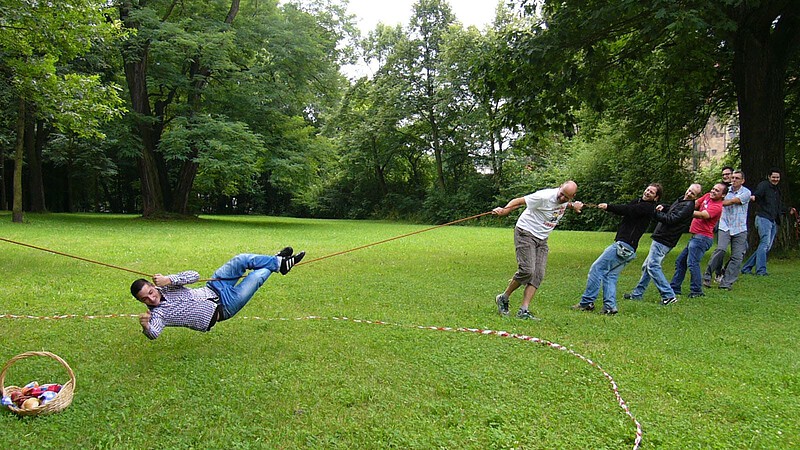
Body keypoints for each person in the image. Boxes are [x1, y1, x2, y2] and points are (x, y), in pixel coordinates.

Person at [131, 248, 305, 339]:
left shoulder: (166, 286)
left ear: (152, 285)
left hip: (214, 286)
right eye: (145, 298)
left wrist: (170, 279)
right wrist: (145, 326)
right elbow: (154, 334)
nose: (151, 298)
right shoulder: (158, 315)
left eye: (151, 292)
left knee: (241, 259)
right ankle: (278, 262)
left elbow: (194, 275)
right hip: (224, 308)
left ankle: (277, 262)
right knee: (256, 276)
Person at [492, 181, 584, 320]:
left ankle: (523, 310)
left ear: (572, 196)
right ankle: (503, 298)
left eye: (567, 197)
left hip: (542, 239)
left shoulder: (566, 200)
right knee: (527, 270)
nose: (562, 198)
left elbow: (565, 204)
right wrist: (504, 211)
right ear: (559, 187)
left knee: (538, 274)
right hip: (526, 232)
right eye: (561, 194)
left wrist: (574, 206)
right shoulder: (543, 196)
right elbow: (518, 201)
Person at [573, 184, 662, 314]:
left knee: (597, 269)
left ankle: (586, 303)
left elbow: (627, 210)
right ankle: (610, 308)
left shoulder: (646, 208)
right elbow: (631, 206)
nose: (647, 192)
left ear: (656, 197)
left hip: (623, 246)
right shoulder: (639, 203)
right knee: (610, 275)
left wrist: (608, 207)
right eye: (648, 190)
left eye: (652, 192)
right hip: (629, 248)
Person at [623, 183, 702, 305]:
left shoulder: (688, 206)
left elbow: (671, 219)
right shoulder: (682, 200)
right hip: (662, 236)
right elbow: (673, 210)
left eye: (692, 193)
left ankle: (669, 295)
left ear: (696, 196)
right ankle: (637, 294)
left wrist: (653, 213)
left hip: (665, 239)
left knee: (653, 266)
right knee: (647, 267)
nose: (689, 193)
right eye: (689, 190)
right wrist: (664, 207)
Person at [669, 183, 726, 299]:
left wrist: (684, 212)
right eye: (713, 189)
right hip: (695, 237)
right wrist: (683, 205)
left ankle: (696, 291)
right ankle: (675, 287)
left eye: (717, 191)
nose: (713, 191)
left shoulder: (717, 206)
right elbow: (694, 204)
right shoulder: (707, 196)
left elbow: (702, 215)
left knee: (692, 263)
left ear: (723, 195)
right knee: (681, 262)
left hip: (703, 238)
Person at [703, 170, 750, 290]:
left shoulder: (746, 192)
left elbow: (733, 201)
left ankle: (726, 282)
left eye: (737, 178)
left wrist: (718, 203)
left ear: (742, 181)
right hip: (725, 225)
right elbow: (711, 199)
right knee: (721, 250)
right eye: (733, 177)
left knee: (737, 256)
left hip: (740, 228)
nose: (734, 180)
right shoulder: (724, 190)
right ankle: (707, 275)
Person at [741, 168, 786, 276]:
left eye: (777, 177)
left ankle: (746, 268)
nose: (776, 179)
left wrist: (789, 209)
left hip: (773, 220)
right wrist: (753, 197)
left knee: (766, 246)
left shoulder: (776, 190)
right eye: (774, 177)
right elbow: (757, 195)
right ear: (769, 177)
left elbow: (778, 205)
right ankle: (761, 271)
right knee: (764, 244)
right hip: (763, 218)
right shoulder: (764, 185)